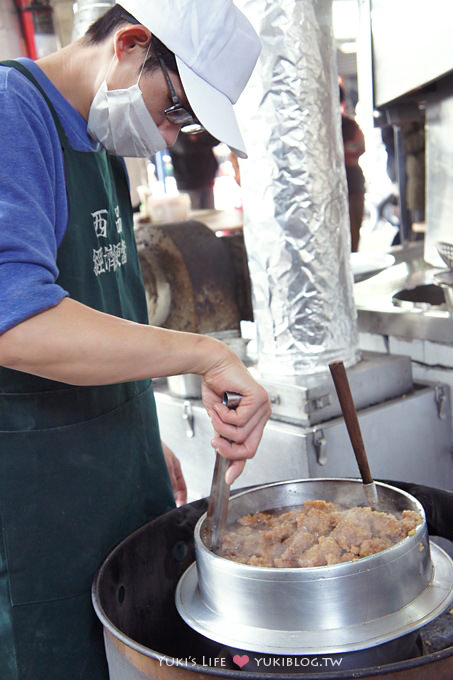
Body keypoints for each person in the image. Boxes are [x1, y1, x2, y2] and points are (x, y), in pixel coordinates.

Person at [0, 2, 271, 679]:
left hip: (107, 478)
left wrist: (138, 438)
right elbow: (18, 322)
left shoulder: (96, 146)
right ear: (129, 43)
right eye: (173, 109)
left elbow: (100, 312)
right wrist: (205, 353)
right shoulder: (11, 114)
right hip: (31, 509)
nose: (168, 137)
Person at [340, 84, 366, 252]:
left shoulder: (350, 125)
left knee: (353, 230)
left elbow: (360, 147)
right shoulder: (324, 125)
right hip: (340, 183)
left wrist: (340, 152)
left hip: (353, 182)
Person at [169, 130, 220, 209]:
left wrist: (198, 138)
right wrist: (203, 140)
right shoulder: (173, 127)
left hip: (207, 178)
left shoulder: (199, 122)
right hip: (188, 183)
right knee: (194, 217)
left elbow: (214, 139)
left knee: (210, 216)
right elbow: (184, 147)